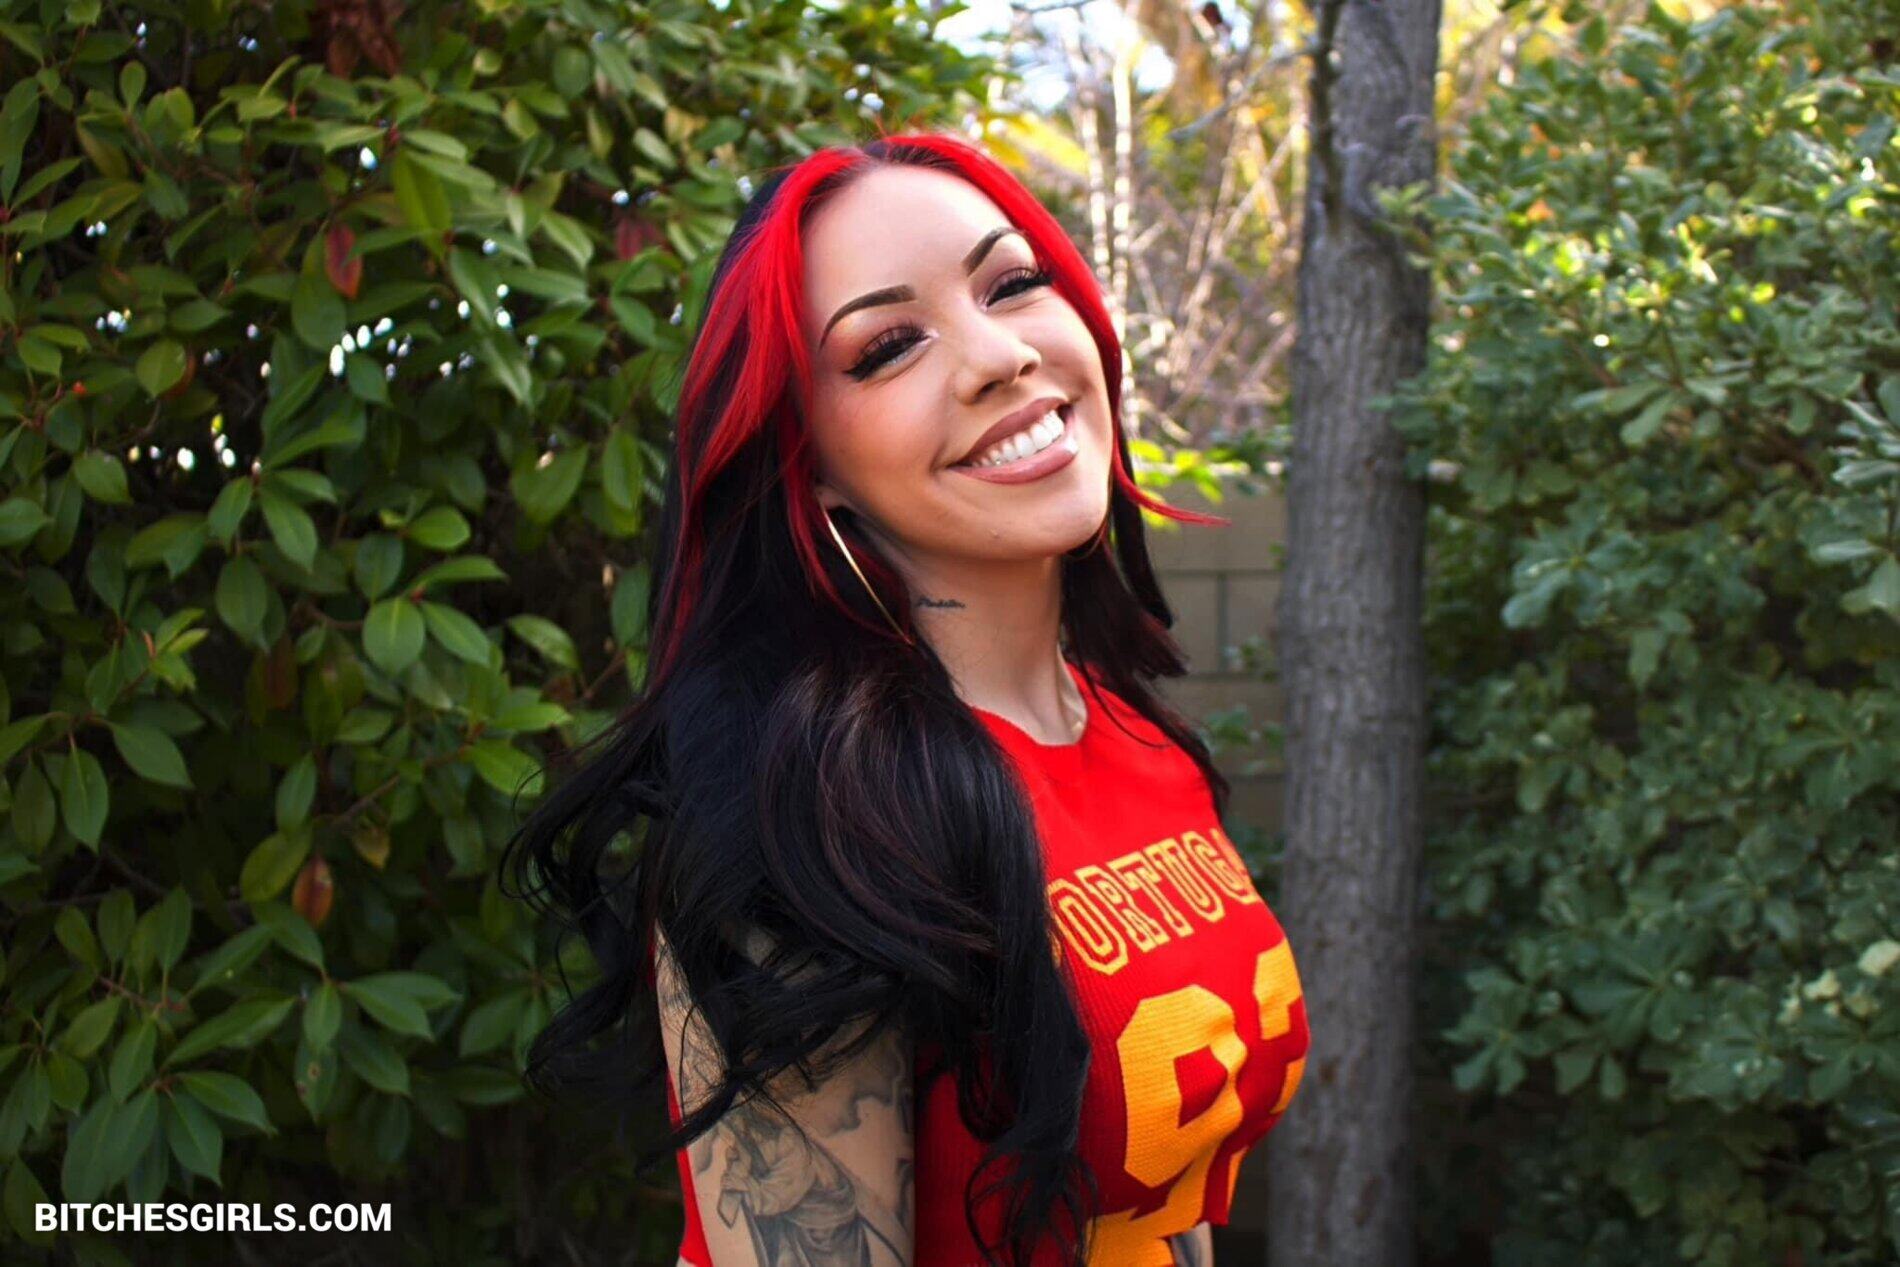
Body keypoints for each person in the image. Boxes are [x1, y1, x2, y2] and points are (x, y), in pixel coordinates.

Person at [503, 131, 1310, 1267]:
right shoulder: (809, 828)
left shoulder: (1143, 738)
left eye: (1012, 283)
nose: (997, 356)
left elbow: (1170, 1202)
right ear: (811, 464)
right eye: (887, 347)